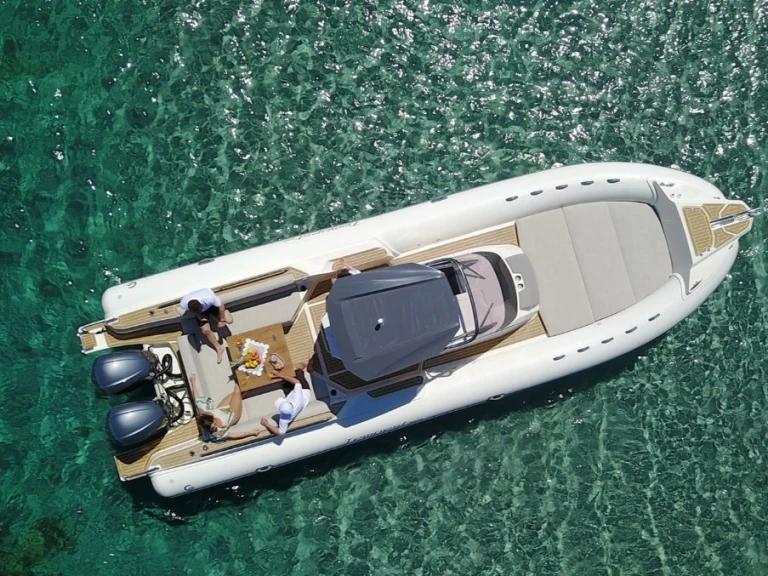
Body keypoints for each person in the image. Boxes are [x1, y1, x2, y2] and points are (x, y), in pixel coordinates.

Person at [180, 287, 233, 364]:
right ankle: (219, 348)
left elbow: (221, 304)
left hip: (211, 306)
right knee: (205, 330)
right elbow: (193, 312)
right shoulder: (184, 304)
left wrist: (222, 320)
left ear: (201, 304)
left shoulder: (209, 298)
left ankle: (222, 313)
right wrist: (199, 316)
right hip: (201, 313)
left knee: (229, 320)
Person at [189, 374, 243, 441]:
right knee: (237, 391)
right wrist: (251, 433)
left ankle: (242, 393)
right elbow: (231, 435)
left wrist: (193, 382)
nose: (217, 425)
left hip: (222, 409)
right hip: (233, 415)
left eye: (215, 422)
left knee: (235, 394)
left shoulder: (205, 412)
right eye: (214, 428)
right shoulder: (216, 433)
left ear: (210, 415)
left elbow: (197, 399)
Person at [260, 367, 311, 437]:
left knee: (283, 379)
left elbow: (281, 433)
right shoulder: (297, 398)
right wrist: (280, 375)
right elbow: (297, 382)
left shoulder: (285, 418)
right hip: (304, 391)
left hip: (291, 394)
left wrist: (266, 424)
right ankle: (306, 367)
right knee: (296, 370)